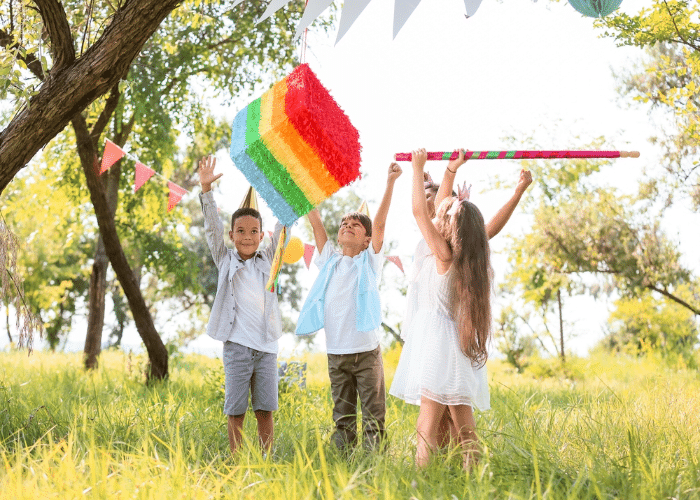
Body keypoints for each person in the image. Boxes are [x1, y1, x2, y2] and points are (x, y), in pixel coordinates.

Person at [389, 148, 498, 470]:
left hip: (436, 347)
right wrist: (449, 170)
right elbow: (436, 214)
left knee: (428, 421)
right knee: (465, 426)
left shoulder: (443, 255)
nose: (437, 215)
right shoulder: (473, 263)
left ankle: (420, 481)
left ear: (449, 228)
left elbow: (420, 213)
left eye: (444, 214)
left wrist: (416, 169)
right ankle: (474, 478)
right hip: (458, 348)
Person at [423, 158, 532, 448]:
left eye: (437, 202)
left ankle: (430, 478)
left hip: (440, 339)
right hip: (444, 336)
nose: (435, 206)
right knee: (452, 424)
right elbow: (470, 225)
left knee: (433, 425)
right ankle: (461, 472)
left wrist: (449, 171)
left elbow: (425, 213)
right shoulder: (457, 250)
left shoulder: (443, 249)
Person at [296, 163, 403, 451]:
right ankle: (342, 463)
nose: (347, 226)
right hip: (337, 355)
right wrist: (304, 186)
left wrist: (390, 182)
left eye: (356, 225)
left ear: (367, 240)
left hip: (366, 354)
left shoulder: (368, 262)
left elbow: (379, 224)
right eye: (344, 224)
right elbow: (316, 221)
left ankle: (372, 466)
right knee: (342, 419)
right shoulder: (329, 259)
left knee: (372, 418)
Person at [198, 154, 288, 456]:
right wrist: (206, 190)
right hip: (236, 345)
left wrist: (285, 187)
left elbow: (284, 224)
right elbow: (212, 228)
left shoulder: (270, 261)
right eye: (241, 231)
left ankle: (265, 458)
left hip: (265, 346)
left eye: (253, 232)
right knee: (236, 408)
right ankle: (236, 458)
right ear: (232, 235)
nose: (247, 237)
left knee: (265, 408)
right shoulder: (225, 260)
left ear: (262, 236)